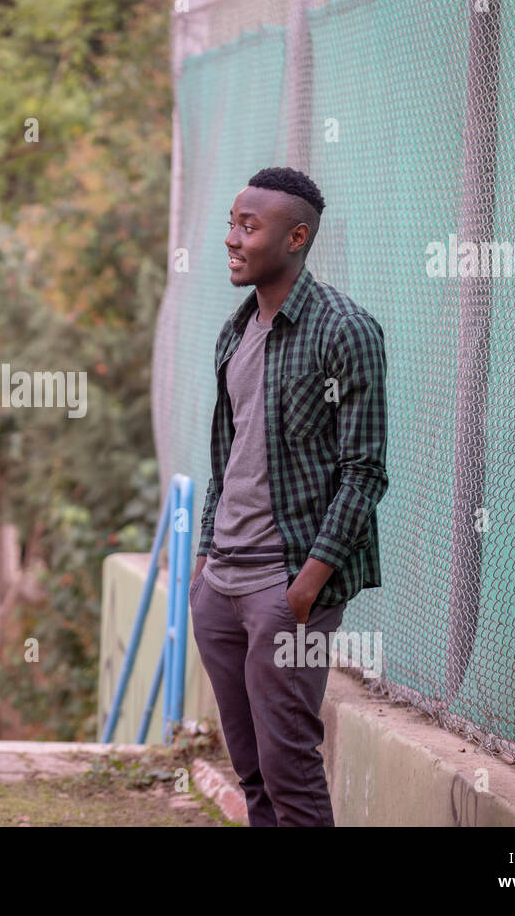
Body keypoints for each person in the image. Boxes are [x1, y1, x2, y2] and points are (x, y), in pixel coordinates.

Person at [190, 166, 388, 826]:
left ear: (296, 236)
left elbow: (364, 471)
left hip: (286, 590)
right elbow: (228, 460)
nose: (232, 238)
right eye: (231, 223)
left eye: (250, 226)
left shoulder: (345, 331)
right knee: (251, 772)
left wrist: (304, 587)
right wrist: (204, 558)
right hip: (220, 587)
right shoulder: (234, 333)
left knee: (290, 772)